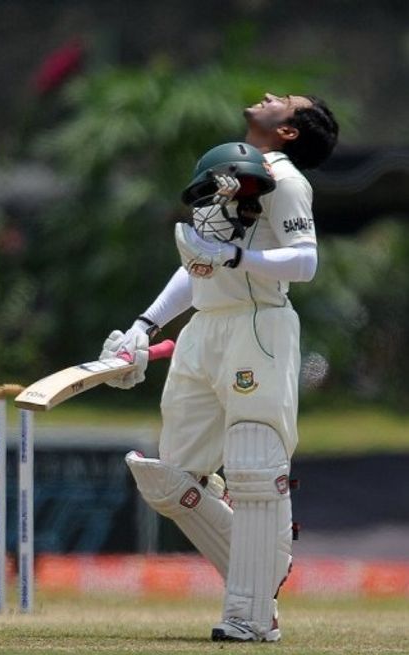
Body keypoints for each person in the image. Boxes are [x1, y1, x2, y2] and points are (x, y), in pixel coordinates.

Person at [99, 92, 339, 642]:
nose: (270, 97)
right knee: (170, 479)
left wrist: (238, 259)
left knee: (254, 466)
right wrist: (143, 325)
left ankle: (250, 617)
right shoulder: (223, 168)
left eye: (285, 101)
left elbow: (306, 260)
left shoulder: (286, 180)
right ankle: (263, 569)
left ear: (290, 132)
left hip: (259, 324)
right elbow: (196, 262)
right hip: (203, 328)